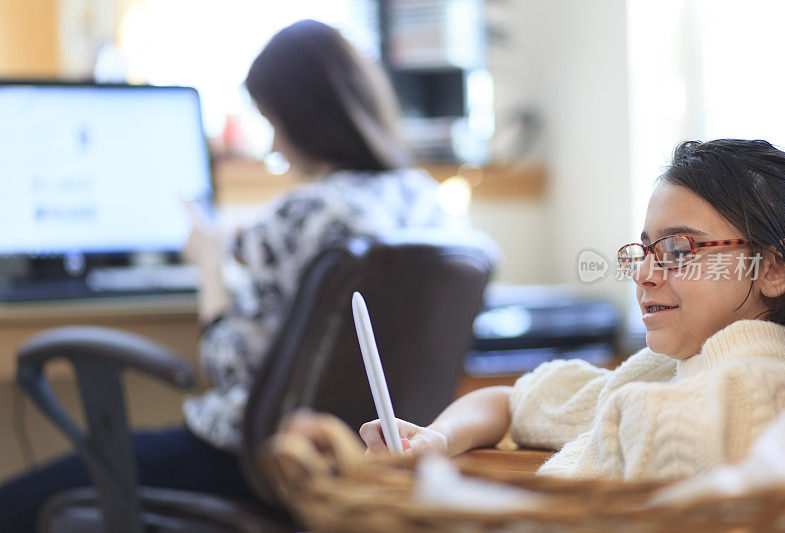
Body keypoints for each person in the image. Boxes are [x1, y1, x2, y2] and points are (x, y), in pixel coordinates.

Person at [0, 19, 458, 532]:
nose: (274, 144)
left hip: (252, 463)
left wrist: (208, 267)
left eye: (272, 121)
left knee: (15, 503)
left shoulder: (299, 212)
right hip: (363, 461)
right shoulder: (425, 202)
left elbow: (231, 369)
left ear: (301, 119)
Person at [361, 139, 785, 482]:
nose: (643, 273)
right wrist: (435, 440)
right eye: (644, 249)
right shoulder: (661, 371)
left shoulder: (765, 395)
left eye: (678, 249)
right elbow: (510, 404)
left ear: (775, 268)